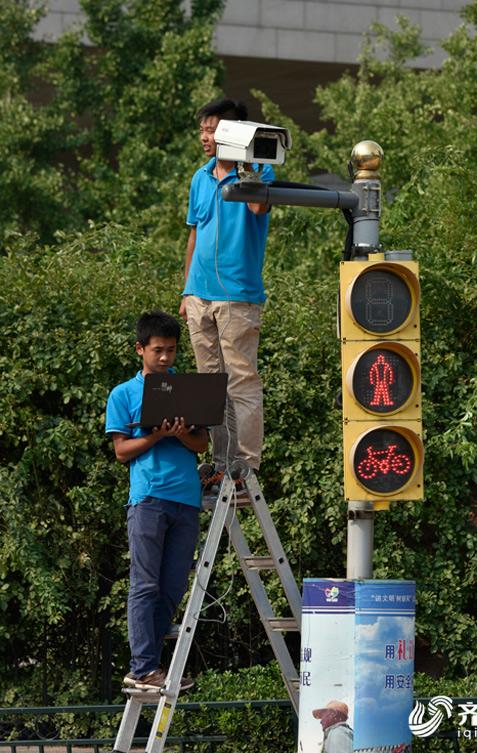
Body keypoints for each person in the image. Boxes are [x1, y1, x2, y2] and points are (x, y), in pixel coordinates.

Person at [105, 311, 208, 689]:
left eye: (172, 351)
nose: (165, 358)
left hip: (187, 499)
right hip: (148, 499)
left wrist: (180, 434)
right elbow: (121, 451)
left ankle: (151, 666)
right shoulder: (123, 394)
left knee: (173, 587)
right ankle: (143, 666)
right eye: (158, 350)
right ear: (140, 349)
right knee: (145, 585)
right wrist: (155, 436)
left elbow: (201, 443)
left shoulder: (188, 389)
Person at [179, 98, 274, 487]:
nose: (205, 136)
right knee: (209, 383)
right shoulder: (199, 177)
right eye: (202, 129)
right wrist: (186, 291)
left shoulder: (259, 172)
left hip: (237, 295)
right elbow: (194, 233)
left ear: (234, 133)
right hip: (199, 295)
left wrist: (246, 166)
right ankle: (221, 462)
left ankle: (246, 463)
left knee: (241, 380)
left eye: (214, 129)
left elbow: (256, 207)